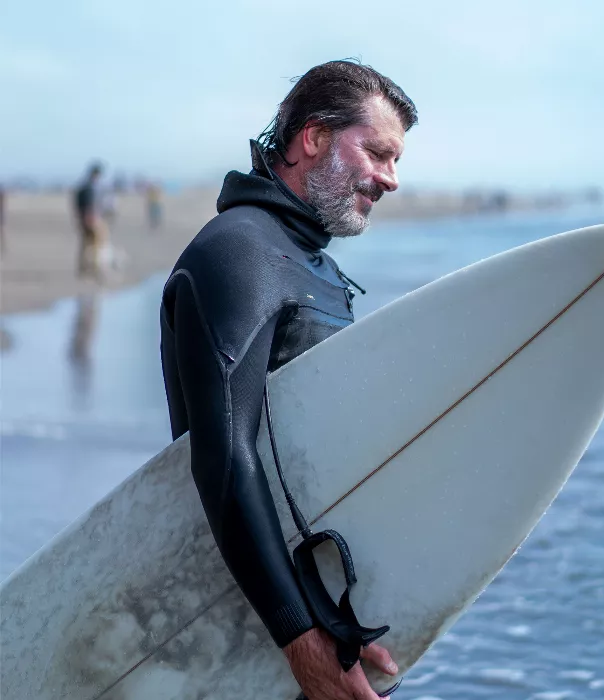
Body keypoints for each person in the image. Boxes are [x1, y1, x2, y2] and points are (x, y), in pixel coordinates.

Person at [160, 59, 417, 700]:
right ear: (314, 138)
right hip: (261, 622)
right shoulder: (239, 251)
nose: (390, 179)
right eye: (379, 153)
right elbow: (223, 459)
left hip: (316, 610)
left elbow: (305, 467)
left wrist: (337, 619)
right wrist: (303, 644)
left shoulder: (314, 266)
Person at [74, 162, 108, 279]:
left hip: (89, 218)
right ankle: (92, 267)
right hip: (92, 219)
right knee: (95, 244)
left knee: (88, 244)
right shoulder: (89, 187)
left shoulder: (86, 186)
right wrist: (88, 217)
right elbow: (88, 204)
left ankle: (86, 268)